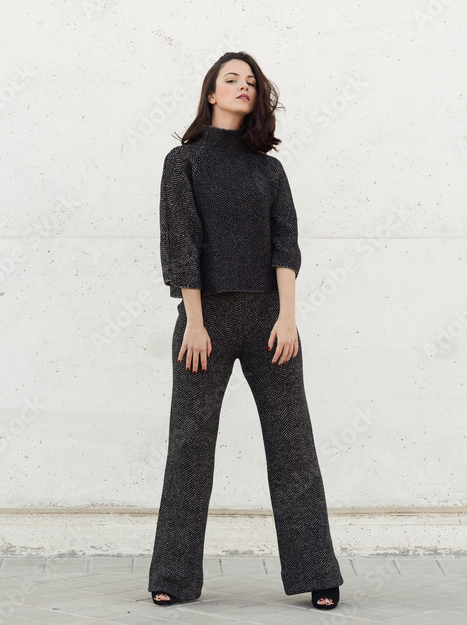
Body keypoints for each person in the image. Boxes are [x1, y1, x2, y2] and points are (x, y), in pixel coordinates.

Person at [148, 51, 343, 610]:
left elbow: (286, 246)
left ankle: (317, 572)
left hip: (270, 322)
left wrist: (288, 318)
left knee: (292, 445)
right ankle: (173, 576)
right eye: (230, 79)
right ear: (211, 93)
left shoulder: (268, 170)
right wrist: (195, 321)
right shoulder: (182, 163)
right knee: (190, 447)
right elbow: (181, 242)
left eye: (250, 81)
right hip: (204, 323)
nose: (242, 86)